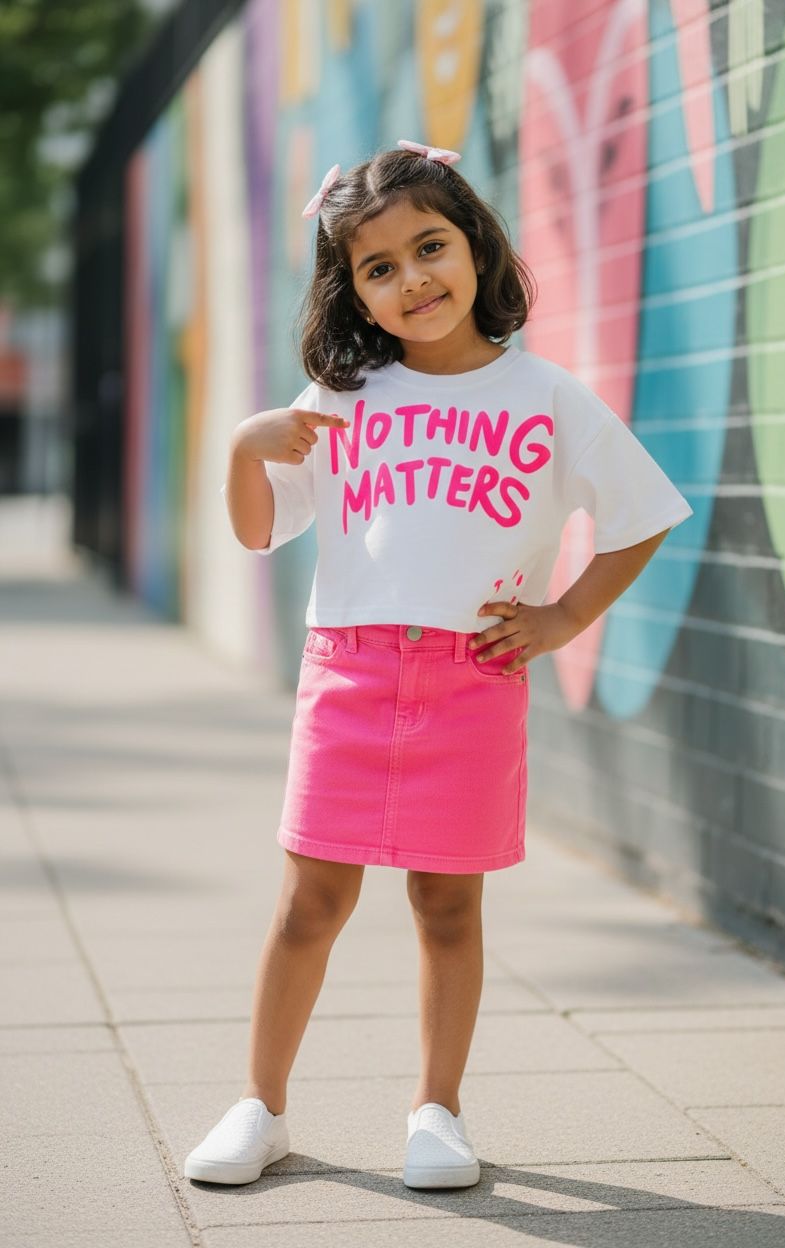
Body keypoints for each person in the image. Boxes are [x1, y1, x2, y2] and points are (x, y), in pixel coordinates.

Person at [184, 139, 694, 1189]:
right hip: (350, 677)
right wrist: (247, 443)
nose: (412, 280)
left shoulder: (544, 396)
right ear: (353, 293)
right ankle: (261, 1107)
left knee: (445, 908)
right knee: (308, 905)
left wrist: (561, 618)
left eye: (430, 248)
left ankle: (437, 1113)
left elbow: (642, 516)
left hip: (472, 683)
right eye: (378, 268)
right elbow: (256, 532)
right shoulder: (339, 398)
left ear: (475, 247)